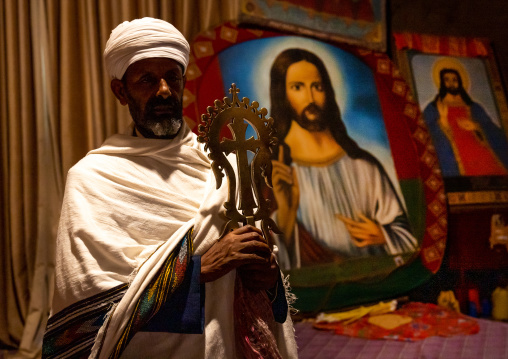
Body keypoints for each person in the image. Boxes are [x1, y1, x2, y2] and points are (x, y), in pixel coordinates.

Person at [42, 18, 297, 359]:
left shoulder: (223, 166)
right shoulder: (93, 178)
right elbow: (87, 303)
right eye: (147, 80)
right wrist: (196, 269)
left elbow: (261, 287)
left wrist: (267, 280)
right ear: (121, 92)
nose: (163, 90)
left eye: (171, 78)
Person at [269, 48, 417, 270]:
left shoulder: (363, 165)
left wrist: (384, 235)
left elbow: (408, 236)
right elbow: (266, 260)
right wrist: (286, 216)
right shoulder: (275, 171)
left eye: (317, 87)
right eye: (298, 87)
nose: (311, 98)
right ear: (283, 95)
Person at [423, 67, 508, 177]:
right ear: (442, 82)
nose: (451, 84)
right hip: (453, 153)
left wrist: (476, 126)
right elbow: (424, 130)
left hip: (479, 151)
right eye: (447, 80)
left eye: (454, 80)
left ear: (460, 82)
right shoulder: (434, 107)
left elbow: (491, 127)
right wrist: (442, 121)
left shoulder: (473, 106)